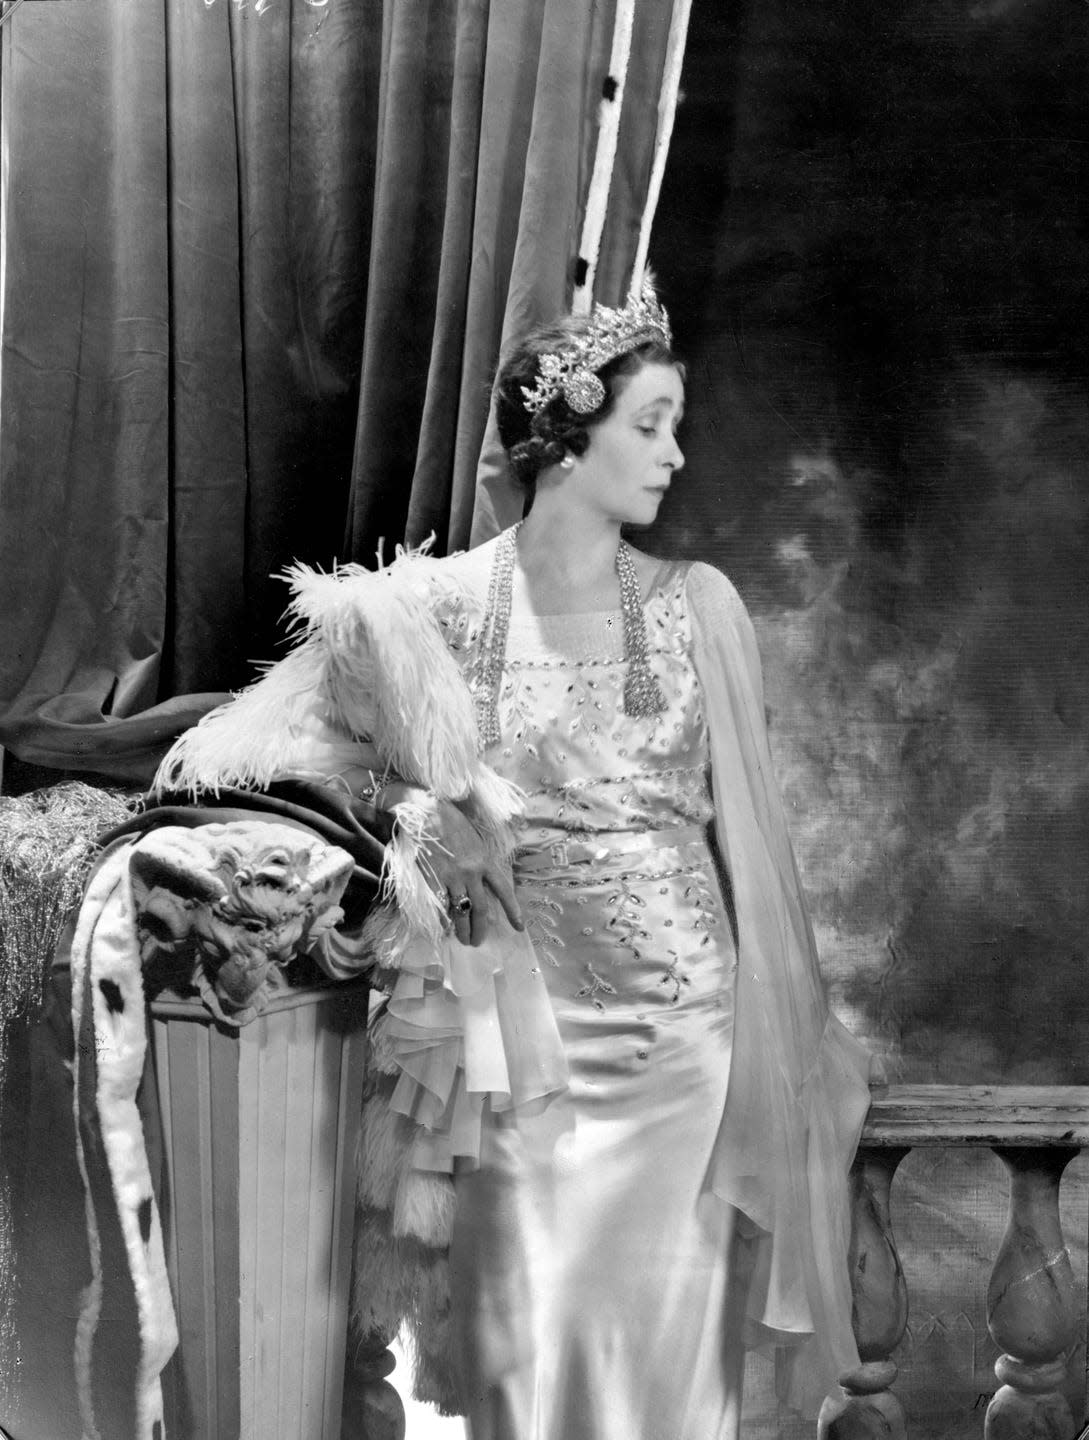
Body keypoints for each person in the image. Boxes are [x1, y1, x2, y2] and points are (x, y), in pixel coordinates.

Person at [156, 282, 872, 1439]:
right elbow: (265, 767)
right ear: (564, 435)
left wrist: (786, 1045)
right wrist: (420, 831)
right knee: (522, 1365)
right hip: (511, 1033)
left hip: (681, 1036)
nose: (677, 456)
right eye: (651, 424)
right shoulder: (424, 607)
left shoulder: (700, 609)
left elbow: (753, 845)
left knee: (665, 1368)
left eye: (677, 425)